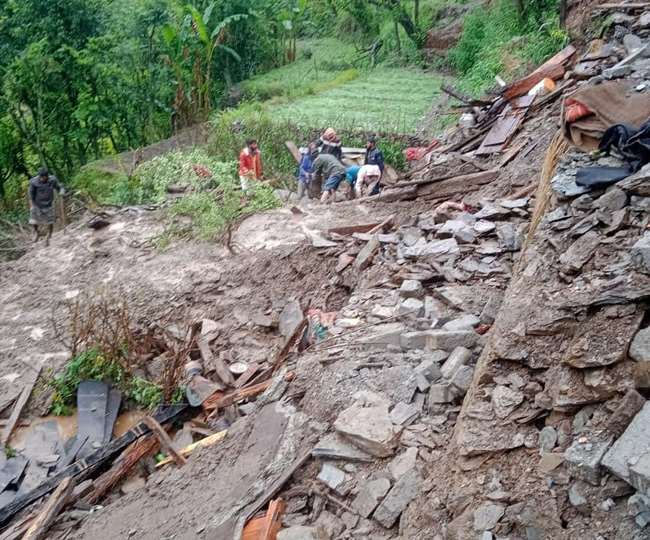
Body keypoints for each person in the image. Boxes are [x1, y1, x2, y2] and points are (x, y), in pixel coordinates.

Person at [29, 167, 64, 246]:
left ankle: (48, 236)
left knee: (50, 221)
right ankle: (37, 233)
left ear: (47, 176)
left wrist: (61, 191)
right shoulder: (33, 182)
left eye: (45, 177)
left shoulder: (52, 180)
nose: (43, 179)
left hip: (48, 204)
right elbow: (31, 196)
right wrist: (32, 206)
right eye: (41, 177)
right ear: (39, 176)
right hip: (37, 204)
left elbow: (59, 187)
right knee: (33, 221)